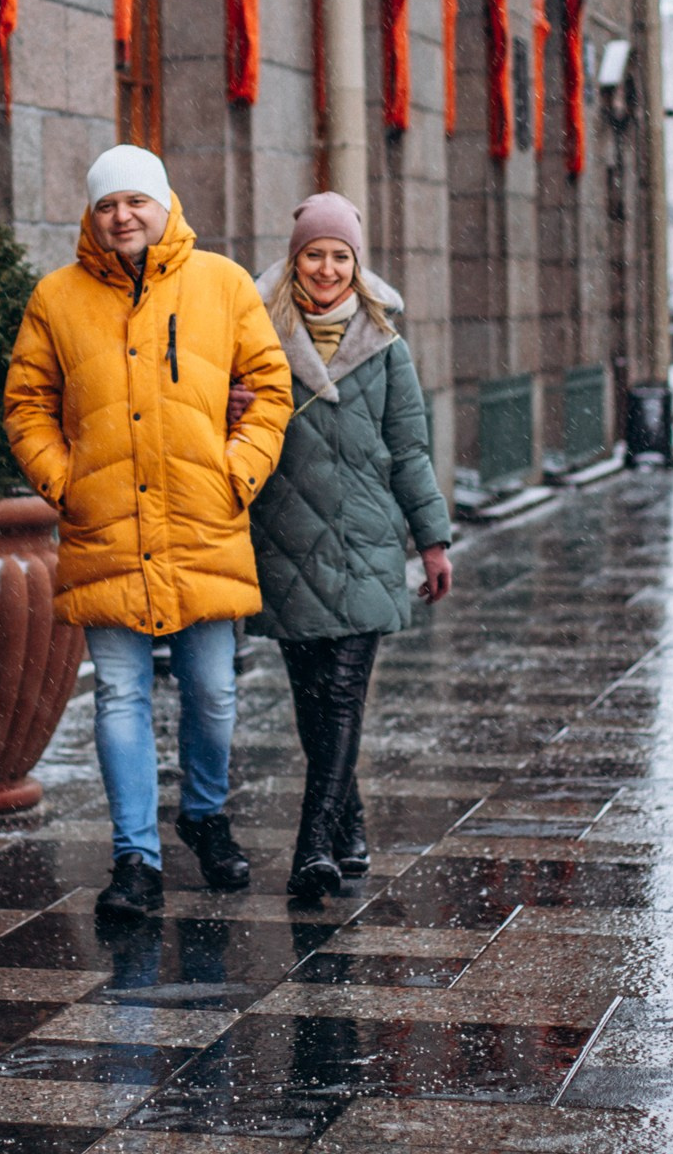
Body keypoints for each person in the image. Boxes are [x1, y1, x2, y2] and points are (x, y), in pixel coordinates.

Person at [5, 145, 292, 924]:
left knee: (213, 692)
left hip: (203, 519)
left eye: (135, 201)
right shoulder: (56, 298)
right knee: (121, 697)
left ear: (165, 206)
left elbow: (270, 388)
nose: (122, 216)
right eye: (107, 205)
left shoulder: (224, 285)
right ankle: (135, 855)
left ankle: (204, 812)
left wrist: (236, 472)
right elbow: (26, 403)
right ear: (90, 216)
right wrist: (64, 482)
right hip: (107, 529)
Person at [240, 193, 453, 900]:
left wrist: (432, 540)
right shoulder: (255, 334)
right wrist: (229, 404)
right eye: (314, 254)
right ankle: (350, 822)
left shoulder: (386, 345)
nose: (326, 268)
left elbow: (411, 450)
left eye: (340, 256)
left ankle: (313, 845)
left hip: (365, 541)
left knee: (340, 697)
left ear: (355, 266)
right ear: (294, 259)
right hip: (287, 539)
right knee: (310, 696)